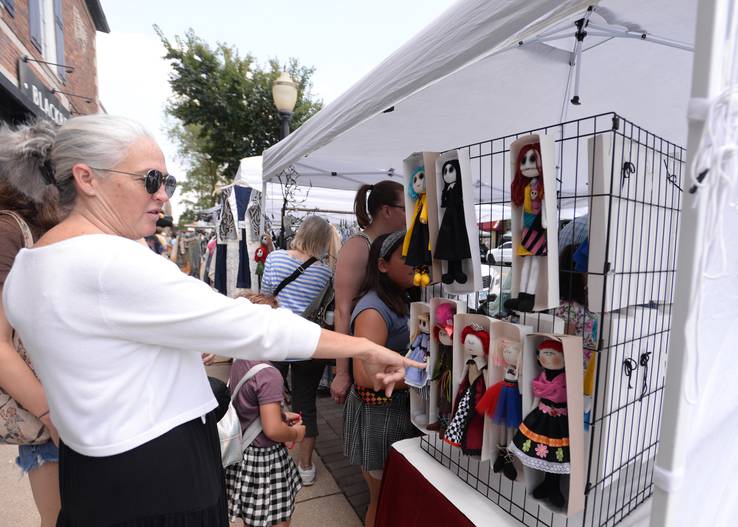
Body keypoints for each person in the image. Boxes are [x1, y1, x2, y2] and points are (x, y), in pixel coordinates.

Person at [0, 115, 423, 526]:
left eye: (167, 183)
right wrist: (364, 346)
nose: (163, 195)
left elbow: (99, 351)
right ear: (87, 178)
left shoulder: (29, 266)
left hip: (88, 465)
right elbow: (257, 326)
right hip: (159, 472)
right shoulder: (113, 261)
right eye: (150, 179)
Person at [0, 120, 63, 527]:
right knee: (62, 518)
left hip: (76, 403)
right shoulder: (9, 229)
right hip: (48, 412)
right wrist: (49, 414)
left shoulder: (53, 228)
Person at [342, 231, 421, 527]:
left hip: (388, 414)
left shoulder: (396, 299)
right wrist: (422, 375)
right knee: (382, 497)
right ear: (383, 265)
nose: (414, 262)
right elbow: (366, 377)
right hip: (380, 417)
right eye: (406, 256)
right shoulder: (374, 309)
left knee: (388, 496)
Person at [261, 215, 340, 486]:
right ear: (323, 240)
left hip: (278, 341)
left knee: (269, 401)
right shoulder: (326, 272)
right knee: (306, 404)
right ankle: (305, 467)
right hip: (307, 343)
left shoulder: (275, 258)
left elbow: (266, 298)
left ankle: (271, 461)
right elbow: (322, 307)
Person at [225, 292, 305, 527]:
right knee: (278, 519)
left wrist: (279, 415)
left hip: (245, 453)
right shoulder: (269, 374)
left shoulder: (240, 359)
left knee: (255, 519)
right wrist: (295, 434)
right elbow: (272, 430)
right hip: (265, 461)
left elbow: (251, 407)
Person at [330, 180, 405, 405]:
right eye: (406, 208)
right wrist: (342, 372)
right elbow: (342, 310)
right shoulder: (358, 246)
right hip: (363, 363)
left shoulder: (391, 244)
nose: (410, 215)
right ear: (387, 210)